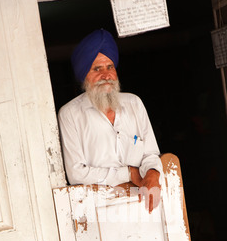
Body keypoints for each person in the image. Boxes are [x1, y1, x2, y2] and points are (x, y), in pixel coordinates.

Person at [58, 29, 162, 213]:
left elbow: (151, 154)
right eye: (97, 69)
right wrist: (129, 173)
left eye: (110, 67)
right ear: (84, 76)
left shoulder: (134, 103)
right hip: (100, 212)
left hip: (144, 206)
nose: (106, 75)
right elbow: (76, 174)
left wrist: (153, 173)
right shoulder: (70, 114)